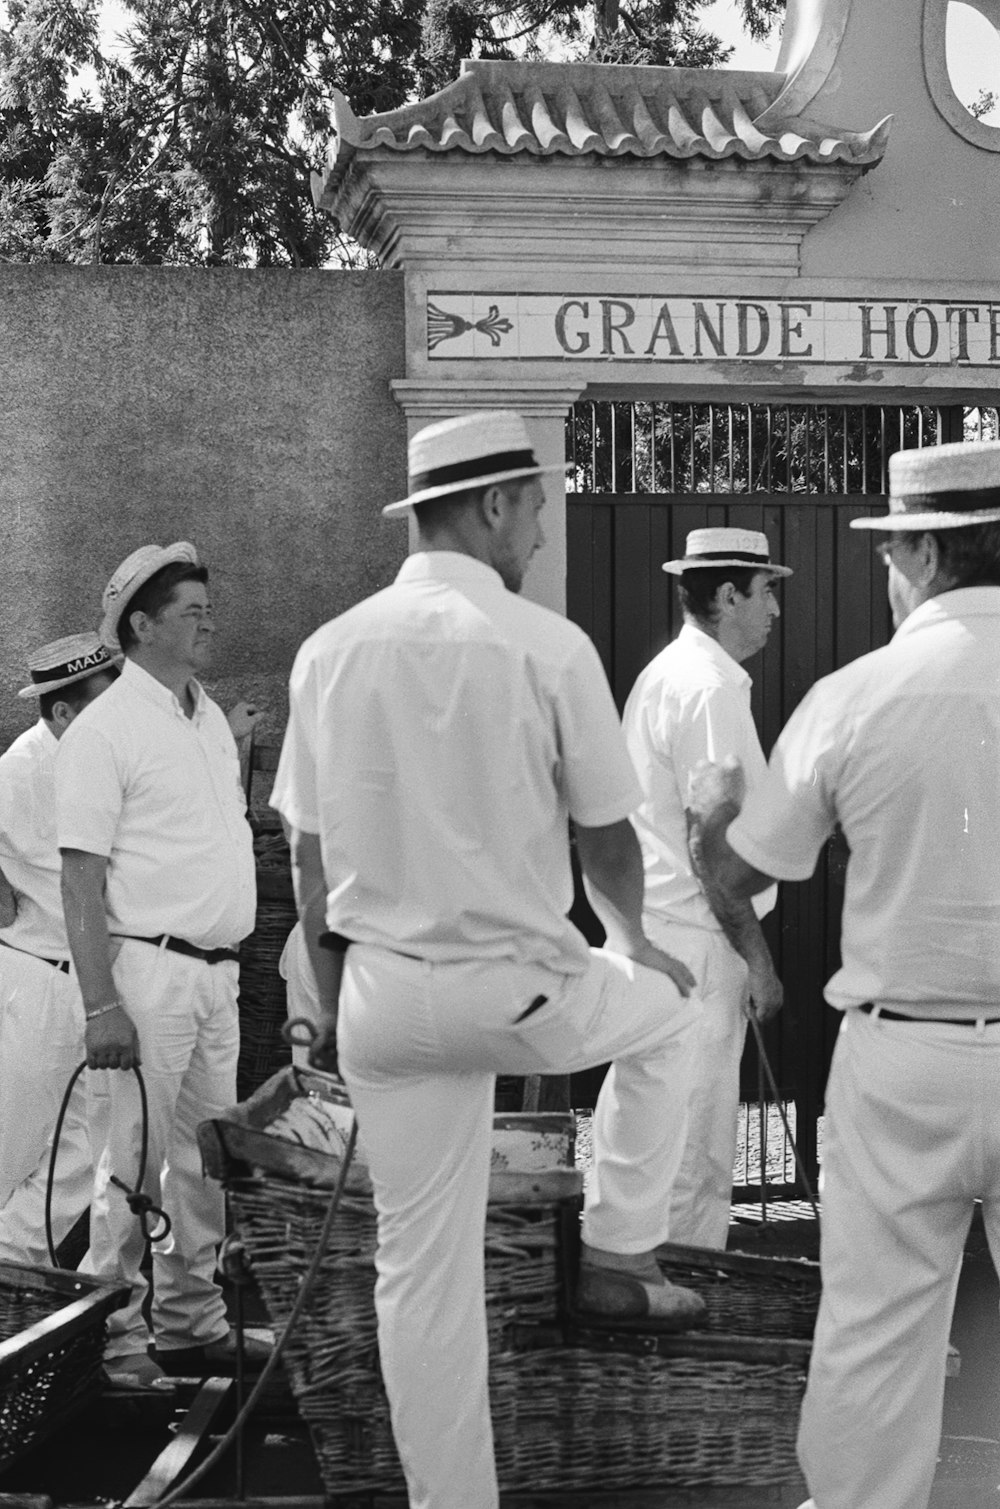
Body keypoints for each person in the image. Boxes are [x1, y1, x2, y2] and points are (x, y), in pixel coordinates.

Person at [270, 409, 709, 1509]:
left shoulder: (327, 650)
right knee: (680, 1014)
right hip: (518, 992)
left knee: (418, 1279)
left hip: (380, 997)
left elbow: (307, 856)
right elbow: (607, 834)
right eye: (538, 510)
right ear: (495, 504)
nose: (542, 534)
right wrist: (641, 945)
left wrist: (333, 1004)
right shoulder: (546, 644)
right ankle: (617, 1252)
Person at [688, 438, 1000, 1509]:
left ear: (918, 549)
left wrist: (714, 817)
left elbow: (735, 875)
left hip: (900, 1052)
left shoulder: (853, 694)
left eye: (887, 549)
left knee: (874, 1345)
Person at [54, 542, 261, 1387]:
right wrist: (103, 1006)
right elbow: (80, 872)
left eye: (209, 610)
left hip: (217, 974)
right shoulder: (106, 728)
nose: (208, 624)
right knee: (129, 1163)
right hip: (147, 974)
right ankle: (116, 1342)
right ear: (142, 625)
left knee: (203, 1159)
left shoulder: (206, 715)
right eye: (191, 613)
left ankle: (188, 1321)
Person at [621, 528, 786, 1249]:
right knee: (692, 1153)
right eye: (767, 590)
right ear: (727, 595)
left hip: (661, 936)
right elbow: (710, 841)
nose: (776, 609)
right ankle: (680, 1317)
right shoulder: (710, 686)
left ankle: (628, 1290)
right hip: (699, 944)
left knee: (647, 1138)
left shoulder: (669, 674)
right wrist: (757, 955)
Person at [0, 634, 119, 1266]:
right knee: (11, 1148)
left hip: (92, 986)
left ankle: (12, 1279)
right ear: (62, 711)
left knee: (75, 1158)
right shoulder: (22, 765)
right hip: (37, 978)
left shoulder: (96, 759)